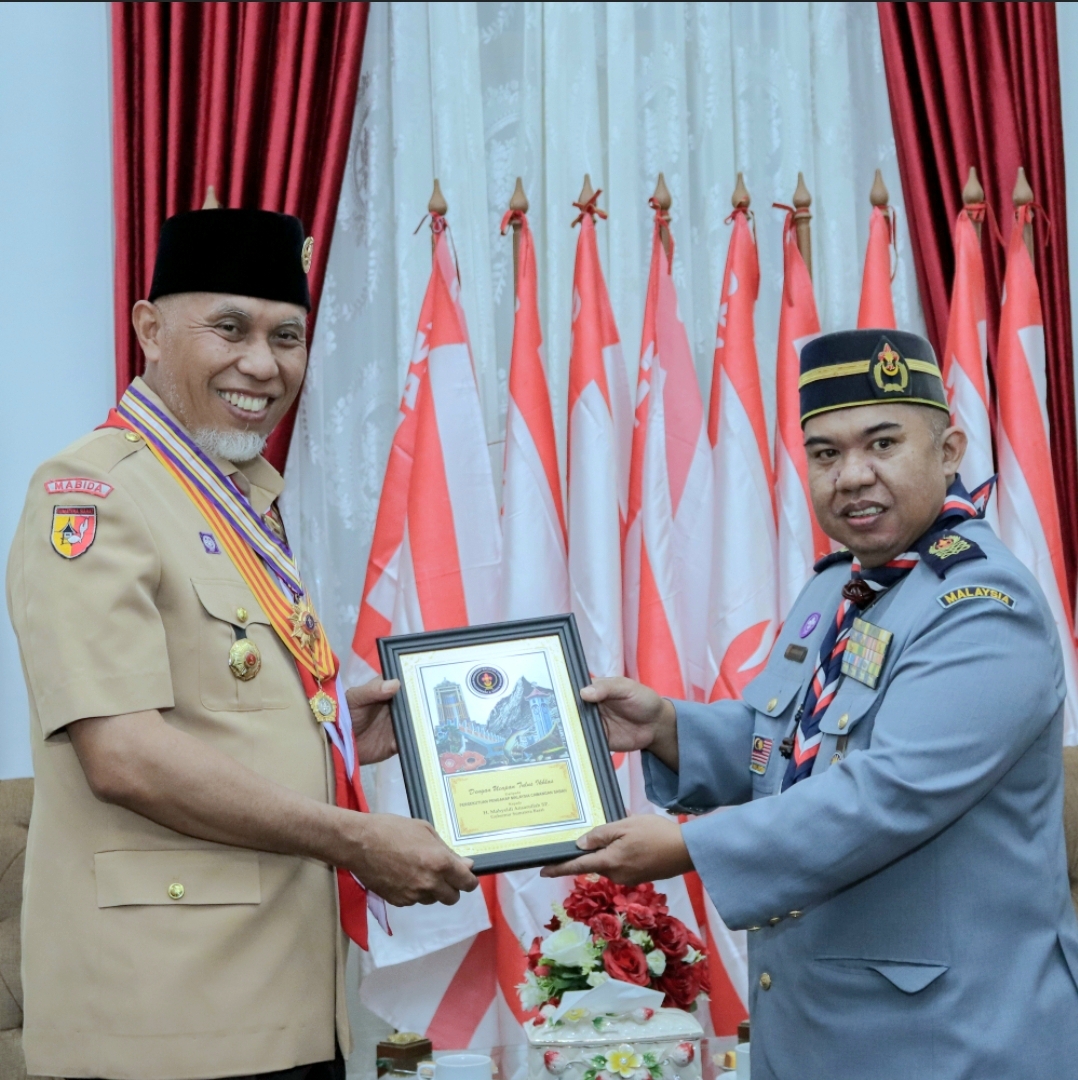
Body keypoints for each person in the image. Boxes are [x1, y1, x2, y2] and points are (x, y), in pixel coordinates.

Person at [6, 204, 476, 1080]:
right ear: (149, 328)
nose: (262, 363)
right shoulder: (91, 496)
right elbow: (125, 757)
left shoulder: (239, 494)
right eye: (230, 327)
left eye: (286, 336)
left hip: (283, 999)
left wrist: (331, 731)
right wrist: (355, 839)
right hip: (165, 1019)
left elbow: (214, 707)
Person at [542, 329, 1078, 1078]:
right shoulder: (841, 584)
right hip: (819, 1029)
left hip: (950, 1039)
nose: (851, 475)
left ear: (950, 448)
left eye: (882, 443)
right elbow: (790, 742)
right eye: (825, 454)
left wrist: (691, 847)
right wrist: (666, 728)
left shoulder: (984, 607)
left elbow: (885, 794)